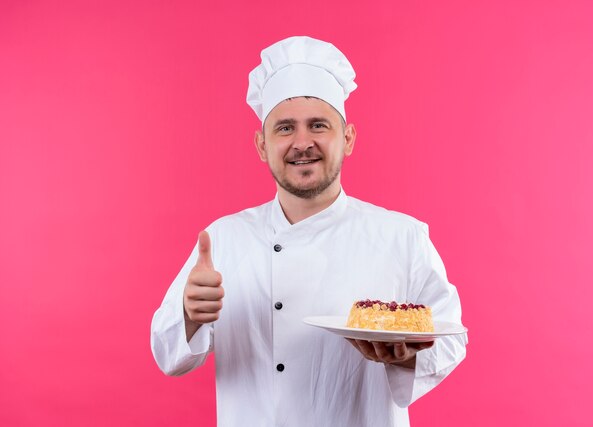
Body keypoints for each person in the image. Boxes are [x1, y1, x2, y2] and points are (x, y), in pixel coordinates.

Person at [151, 36, 467, 427]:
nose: (303, 143)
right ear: (261, 145)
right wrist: (189, 314)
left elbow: (452, 338)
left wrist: (408, 356)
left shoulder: (402, 237)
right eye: (285, 128)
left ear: (347, 138)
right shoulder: (223, 240)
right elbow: (167, 354)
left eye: (319, 125)